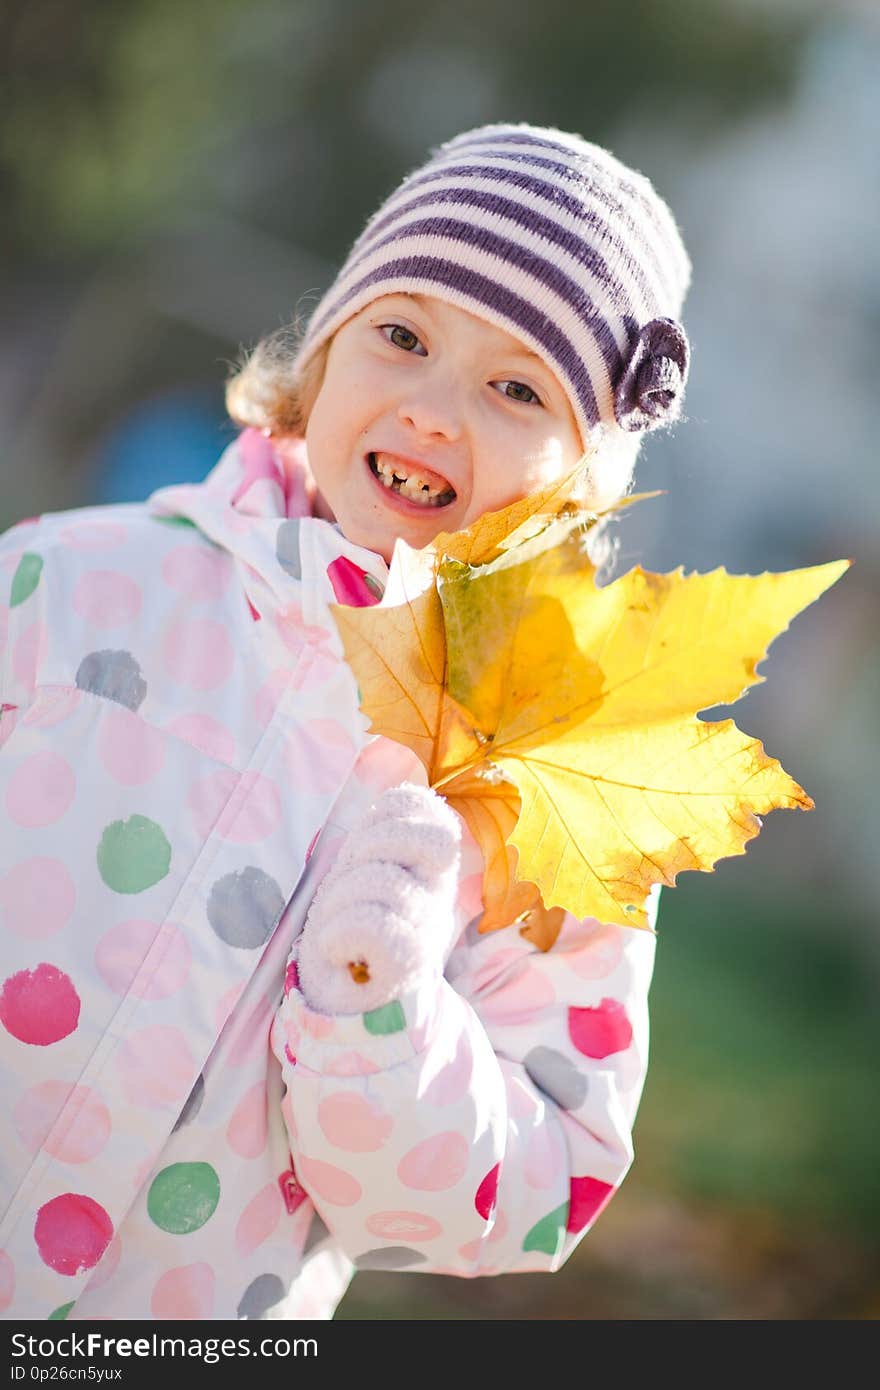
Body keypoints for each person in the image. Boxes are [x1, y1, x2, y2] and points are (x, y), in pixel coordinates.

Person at [0, 122, 691, 1320]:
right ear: (322, 354)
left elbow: (528, 1193)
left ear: (584, 479)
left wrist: (382, 1012)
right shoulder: (68, 588)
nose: (433, 407)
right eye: (404, 335)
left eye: (516, 385)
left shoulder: (556, 800)